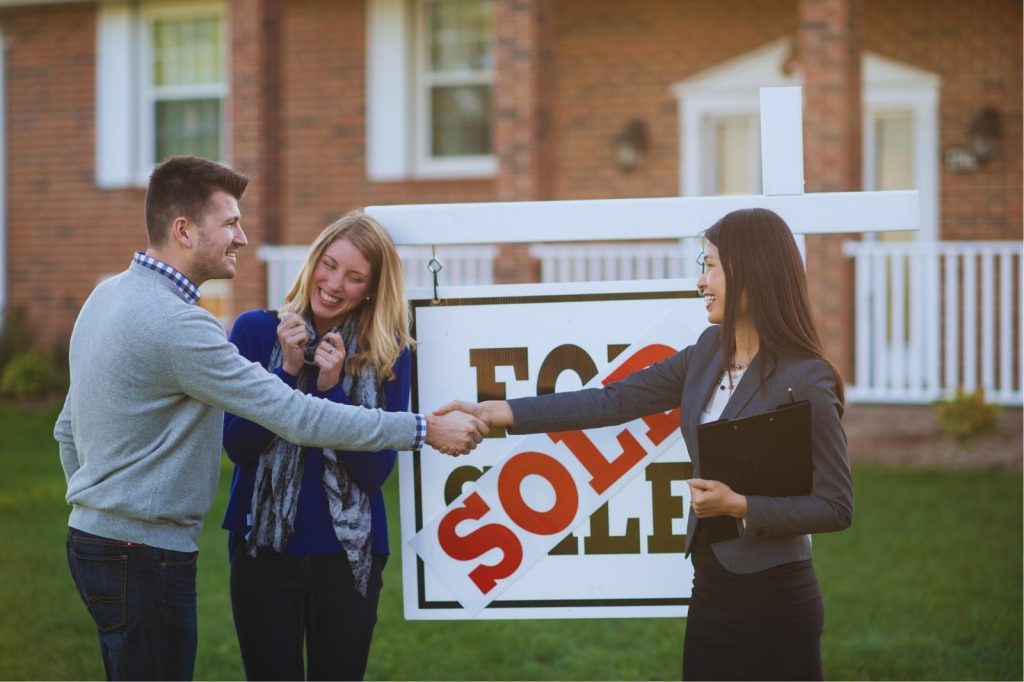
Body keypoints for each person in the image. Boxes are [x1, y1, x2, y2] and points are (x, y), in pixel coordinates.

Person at [54, 155, 486, 681]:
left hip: (103, 542)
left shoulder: (107, 295)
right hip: (151, 550)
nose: (242, 237)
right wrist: (423, 428)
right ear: (184, 231)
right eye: (231, 224)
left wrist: (95, 508)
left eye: (354, 277)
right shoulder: (188, 325)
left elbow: (66, 428)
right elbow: (286, 421)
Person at [437, 208, 853, 680]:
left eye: (710, 266)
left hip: (777, 602)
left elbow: (836, 506)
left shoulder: (806, 378)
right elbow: (611, 401)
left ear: (750, 272)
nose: (701, 281)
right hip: (712, 590)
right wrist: (497, 412)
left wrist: (739, 505)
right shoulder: (706, 354)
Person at [221, 211, 411, 680]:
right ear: (313, 261)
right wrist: (285, 375)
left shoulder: (388, 352)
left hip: (348, 555)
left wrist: (332, 390)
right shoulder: (254, 331)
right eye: (329, 265)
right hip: (262, 550)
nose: (334, 284)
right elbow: (239, 448)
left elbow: (373, 474)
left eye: (354, 277)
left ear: (371, 289)